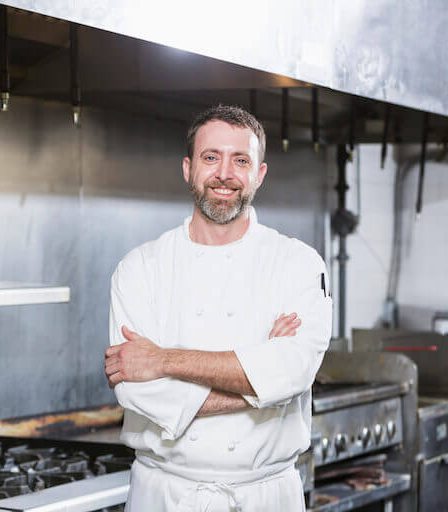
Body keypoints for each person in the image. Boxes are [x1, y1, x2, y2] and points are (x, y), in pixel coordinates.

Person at [104, 104, 332, 511]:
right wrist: (262, 385)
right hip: (164, 496)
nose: (224, 174)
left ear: (259, 175)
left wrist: (163, 359)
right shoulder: (140, 267)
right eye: (211, 157)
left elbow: (294, 371)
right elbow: (137, 391)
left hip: (264, 496)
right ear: (188, 168)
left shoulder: (298, 263)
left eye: (240, 160)